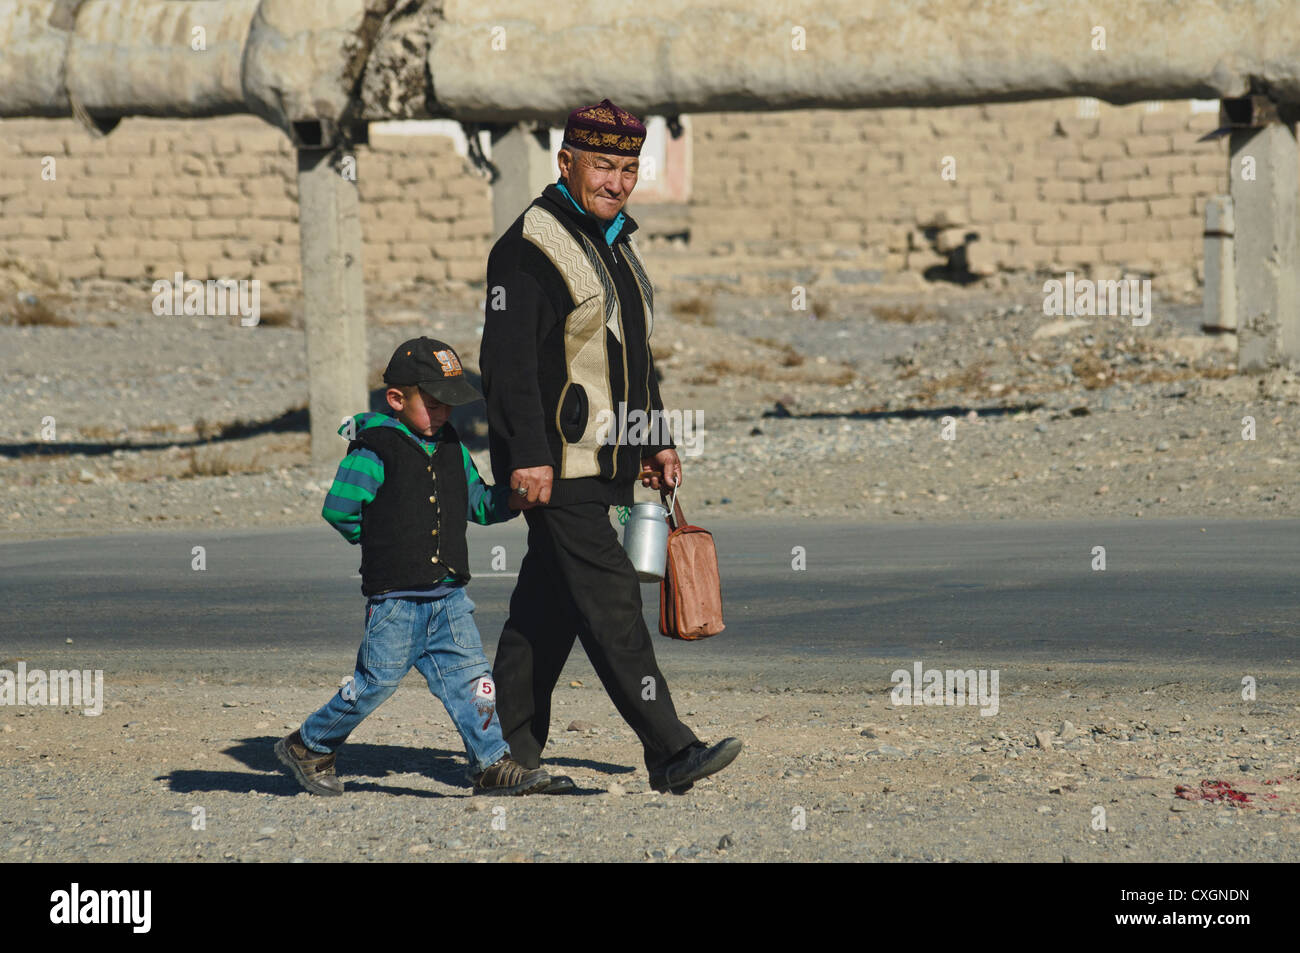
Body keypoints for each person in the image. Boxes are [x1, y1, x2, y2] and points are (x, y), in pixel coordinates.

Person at [480, 98, 741, 795]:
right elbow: (506, 368)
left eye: (628, 168)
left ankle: (504, 751)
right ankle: (670, 748)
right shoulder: (526, 249)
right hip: (557, 467)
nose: (618, 181)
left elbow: (633, 356)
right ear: (566, 163)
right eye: (603, 166)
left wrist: (654, 439)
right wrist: (526, 456)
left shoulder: (615, 243)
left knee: (546, 611)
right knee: (612, 600)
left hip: (609, 460)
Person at [274, 337, 550, 797]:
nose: (443, 413)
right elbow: (340, 509)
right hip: (397, 601)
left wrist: (513, 500)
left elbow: (478, 503)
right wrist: (384, 543)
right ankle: (309, 745)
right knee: (374, 684)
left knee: (474, 683)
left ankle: (491, 764)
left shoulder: (451, 447)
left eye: (450, 405)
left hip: (448, 599)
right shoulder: (373, 449)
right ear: (397, 399)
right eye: (434, 403)